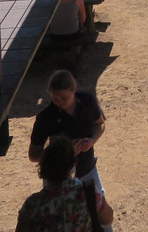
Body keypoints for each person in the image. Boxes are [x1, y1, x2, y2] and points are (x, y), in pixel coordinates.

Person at [29, 70, 112, 231]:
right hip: (58, 176)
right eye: (55, 98)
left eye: (64, 98)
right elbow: (33, 155)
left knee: (99, 219)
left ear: (74, 90)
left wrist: (92, 140)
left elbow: (100, 124)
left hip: (87, 169)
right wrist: (62, 152)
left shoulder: (87, 101)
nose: (59, 102)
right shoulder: (46, 117)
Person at [17, 135, 113, 232]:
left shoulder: (32, 205)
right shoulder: (88, 193)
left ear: (43, 169)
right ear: (72, 165)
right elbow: (108, 219)